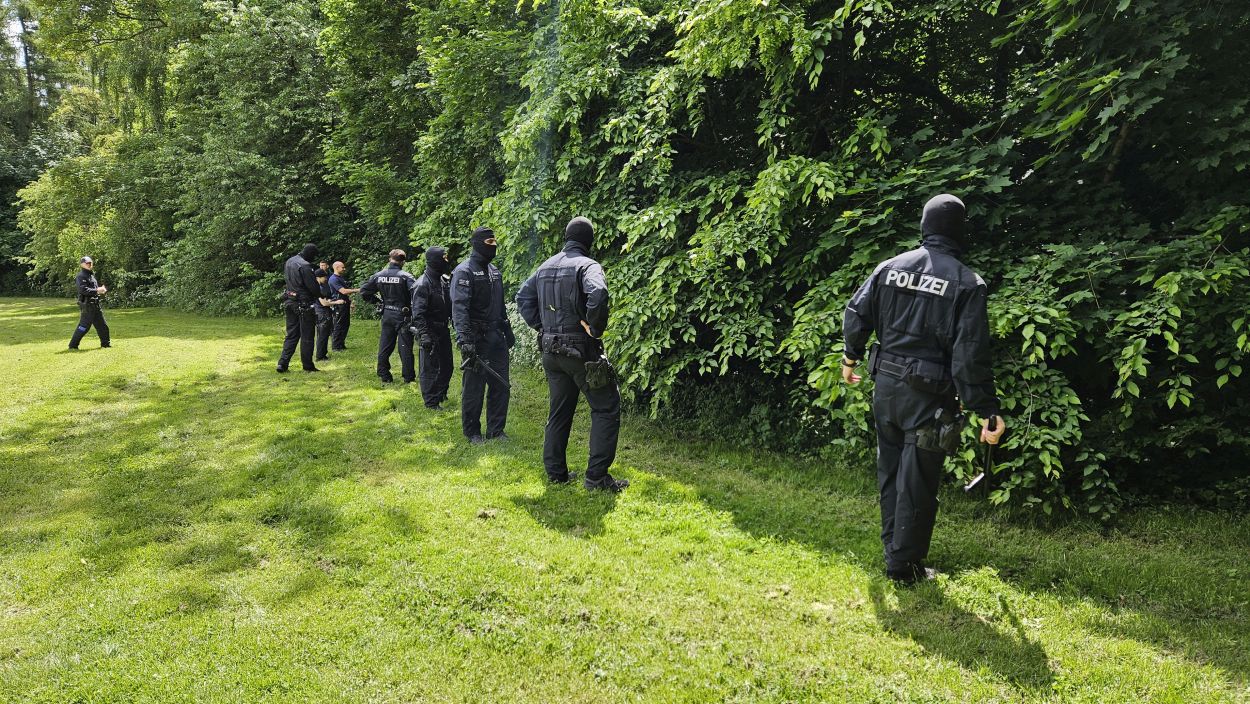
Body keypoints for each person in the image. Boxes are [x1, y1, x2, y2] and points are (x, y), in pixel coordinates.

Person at [842, 194, 1006, 585]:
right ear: (960, 231)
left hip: (886, 389)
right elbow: (969, 357)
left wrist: (850, 358)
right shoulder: (967, 283)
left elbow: (857, 313)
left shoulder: (889, 268)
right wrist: (987, 410)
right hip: (928, 398)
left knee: (891, 473)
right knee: (917, 482)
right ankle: (904, 567)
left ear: (925, 225)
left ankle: (895, 551)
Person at [517, 217, 627, 491]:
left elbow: (522, 297)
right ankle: (596, 478)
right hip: (581, 350)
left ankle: (556, 473)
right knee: (606, 406)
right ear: (589, 240)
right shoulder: (587, 266)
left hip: (551, 351)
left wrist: (542, 326)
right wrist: (595, 329)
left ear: (566, 237)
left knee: (559, 410)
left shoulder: (544, 267)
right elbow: (598, 293)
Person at [451, 227, 515, 444]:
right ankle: (472, 432)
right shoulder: (464, 272)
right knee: (474, 387)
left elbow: (500, 305)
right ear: (478, 244)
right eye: (489, 242)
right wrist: (465, 340)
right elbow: (459, 308)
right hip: (475, 338)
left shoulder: (494, 271)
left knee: (501, 384)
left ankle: (496, 430)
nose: (494, 246)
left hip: (496, 336)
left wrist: (507, 330)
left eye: (495, 242)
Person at [359, 249, 418, 384]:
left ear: (389, 259)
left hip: (387, 313)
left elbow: (364, 291)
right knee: (405, 347)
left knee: (385, 345)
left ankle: (383, 374)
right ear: (403, 262)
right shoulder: (406, 277)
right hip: (403, 315)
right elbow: (416, 295)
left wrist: (377, 302)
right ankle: (408, 377)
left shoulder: (378, 276)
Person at [410, 246, 454, 409]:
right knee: (429, 368)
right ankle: (431, 402)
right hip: (429, 330)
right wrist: (424, 334)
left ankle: (440, 393)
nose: (446, 261)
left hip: (443, 329)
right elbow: (418, 313)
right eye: (444, 258)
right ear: (435, 261)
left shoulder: (442, 280)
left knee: (447, 365)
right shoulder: (422, 284)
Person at [278, 243, 323, 373]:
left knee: (292, 334)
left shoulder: (289, 261)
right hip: (304, 304)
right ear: (310, 254)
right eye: (314, 256)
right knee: (307, 336)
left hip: (289, 301)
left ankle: (282, 363)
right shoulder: (305, 266)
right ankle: (308, 366)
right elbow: (313, 287)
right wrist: (321, 294)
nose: (314, 259)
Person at [68, 256, 110, 350]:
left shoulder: (91, 276)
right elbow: (83, 290)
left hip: (95, 305)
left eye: (90, 263)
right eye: (87, 263)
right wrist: (97, 290)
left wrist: (100, 290)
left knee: (102, 326)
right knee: (83, 327)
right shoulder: (81, 276)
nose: (89, 264)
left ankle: (106, 345)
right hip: (87, 305)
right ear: (82, 264)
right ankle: (73, 345)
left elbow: (93, 289)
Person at [312, 268, 344, 362]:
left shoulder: (319, 287)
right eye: (324, 277)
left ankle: (323, 354)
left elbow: (325, 300)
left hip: (323, 312)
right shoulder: (318, 288)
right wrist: (337, 302)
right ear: (318, 277)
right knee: (322, 335)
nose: (326, 279)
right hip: (322, 313)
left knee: (325, 335)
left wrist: (330, 300)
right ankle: (320, 356)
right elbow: (324, 303)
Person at [328, 261, 358, 351]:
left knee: (345, 324)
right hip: (339, 305)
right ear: (336, 267)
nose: (344, 269)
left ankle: (341, 344)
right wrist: (357, 290)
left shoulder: (340, 278)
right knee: (339, 324)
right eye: (342, 267)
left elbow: (346, 293)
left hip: (345, 303)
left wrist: (350, 302)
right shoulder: (333, 279)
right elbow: (343, 291)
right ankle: (336, 346)